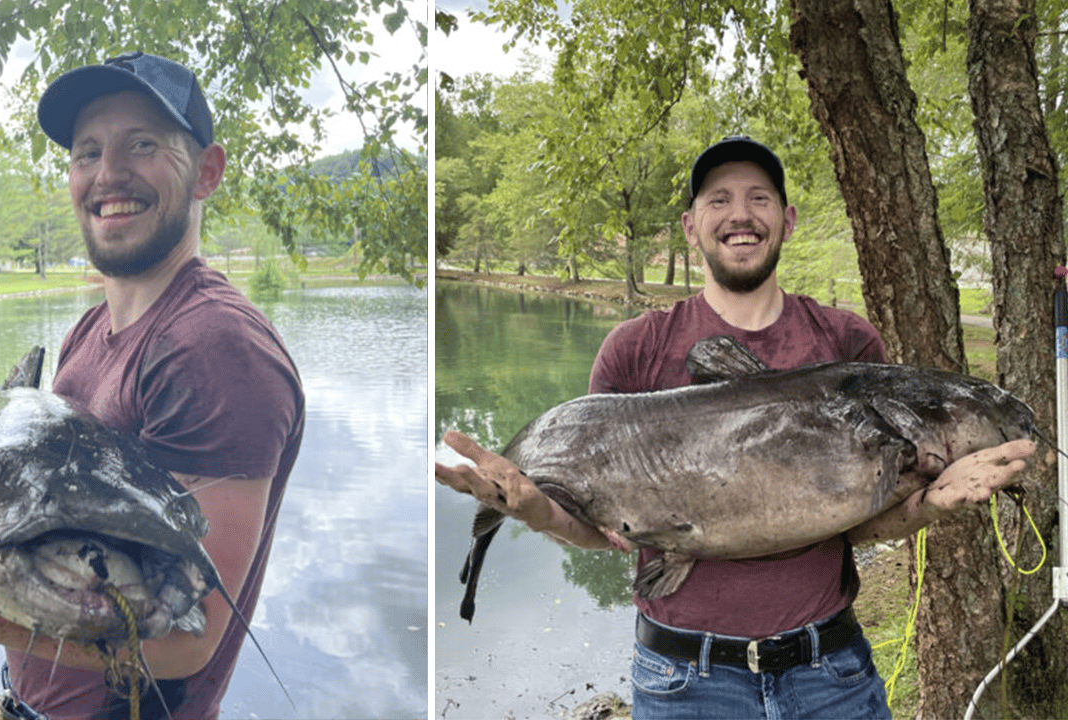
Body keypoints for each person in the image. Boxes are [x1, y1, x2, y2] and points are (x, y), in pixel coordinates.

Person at [435, 135, 1035, 719]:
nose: (740, 215)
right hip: (681, 680)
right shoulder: (633, 349)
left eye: (759, 198)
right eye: (718, 200)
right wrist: (536, 512)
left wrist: (930, 504)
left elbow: (856, 526)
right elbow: (610, 530)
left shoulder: (849, 344)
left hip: (829, 672)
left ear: (789, 220)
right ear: (690, 226)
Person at [0, 51, 305, 720]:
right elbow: (51, 503)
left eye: (143, 145)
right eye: (87, 152)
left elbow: (186, 637)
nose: (108, 173)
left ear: (207, 171)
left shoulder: (215, 349)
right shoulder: (90, 331)